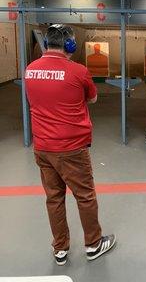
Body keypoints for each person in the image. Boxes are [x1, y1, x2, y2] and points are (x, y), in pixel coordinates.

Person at [25, 24, 116, 266]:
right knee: (85, 196)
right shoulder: (78, 71)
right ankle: (94, 244)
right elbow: (93, 98)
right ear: (70, 45)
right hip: (72, 148)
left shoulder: (30, 70)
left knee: (53, 198)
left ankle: (60, 248)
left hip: (42, 147)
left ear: (46, 44)